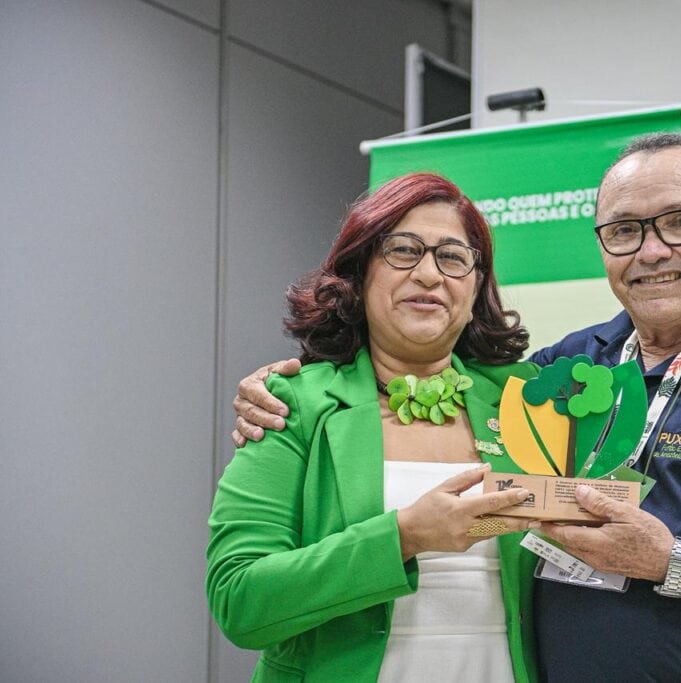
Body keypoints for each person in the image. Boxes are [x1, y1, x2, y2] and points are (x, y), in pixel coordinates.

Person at [230, 134, 681, 680]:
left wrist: (677, 561)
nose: (651, 251)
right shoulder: (554, 374)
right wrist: (283, 384)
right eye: (624, 230)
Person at [207, 172, 544, 683]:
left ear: (477, 287)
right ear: (359, 274)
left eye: (453, 257)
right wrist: (402, 537)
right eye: (403, 250)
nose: (430, 275)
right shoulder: (293, 404)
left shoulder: (526, 402)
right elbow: (240, 600)